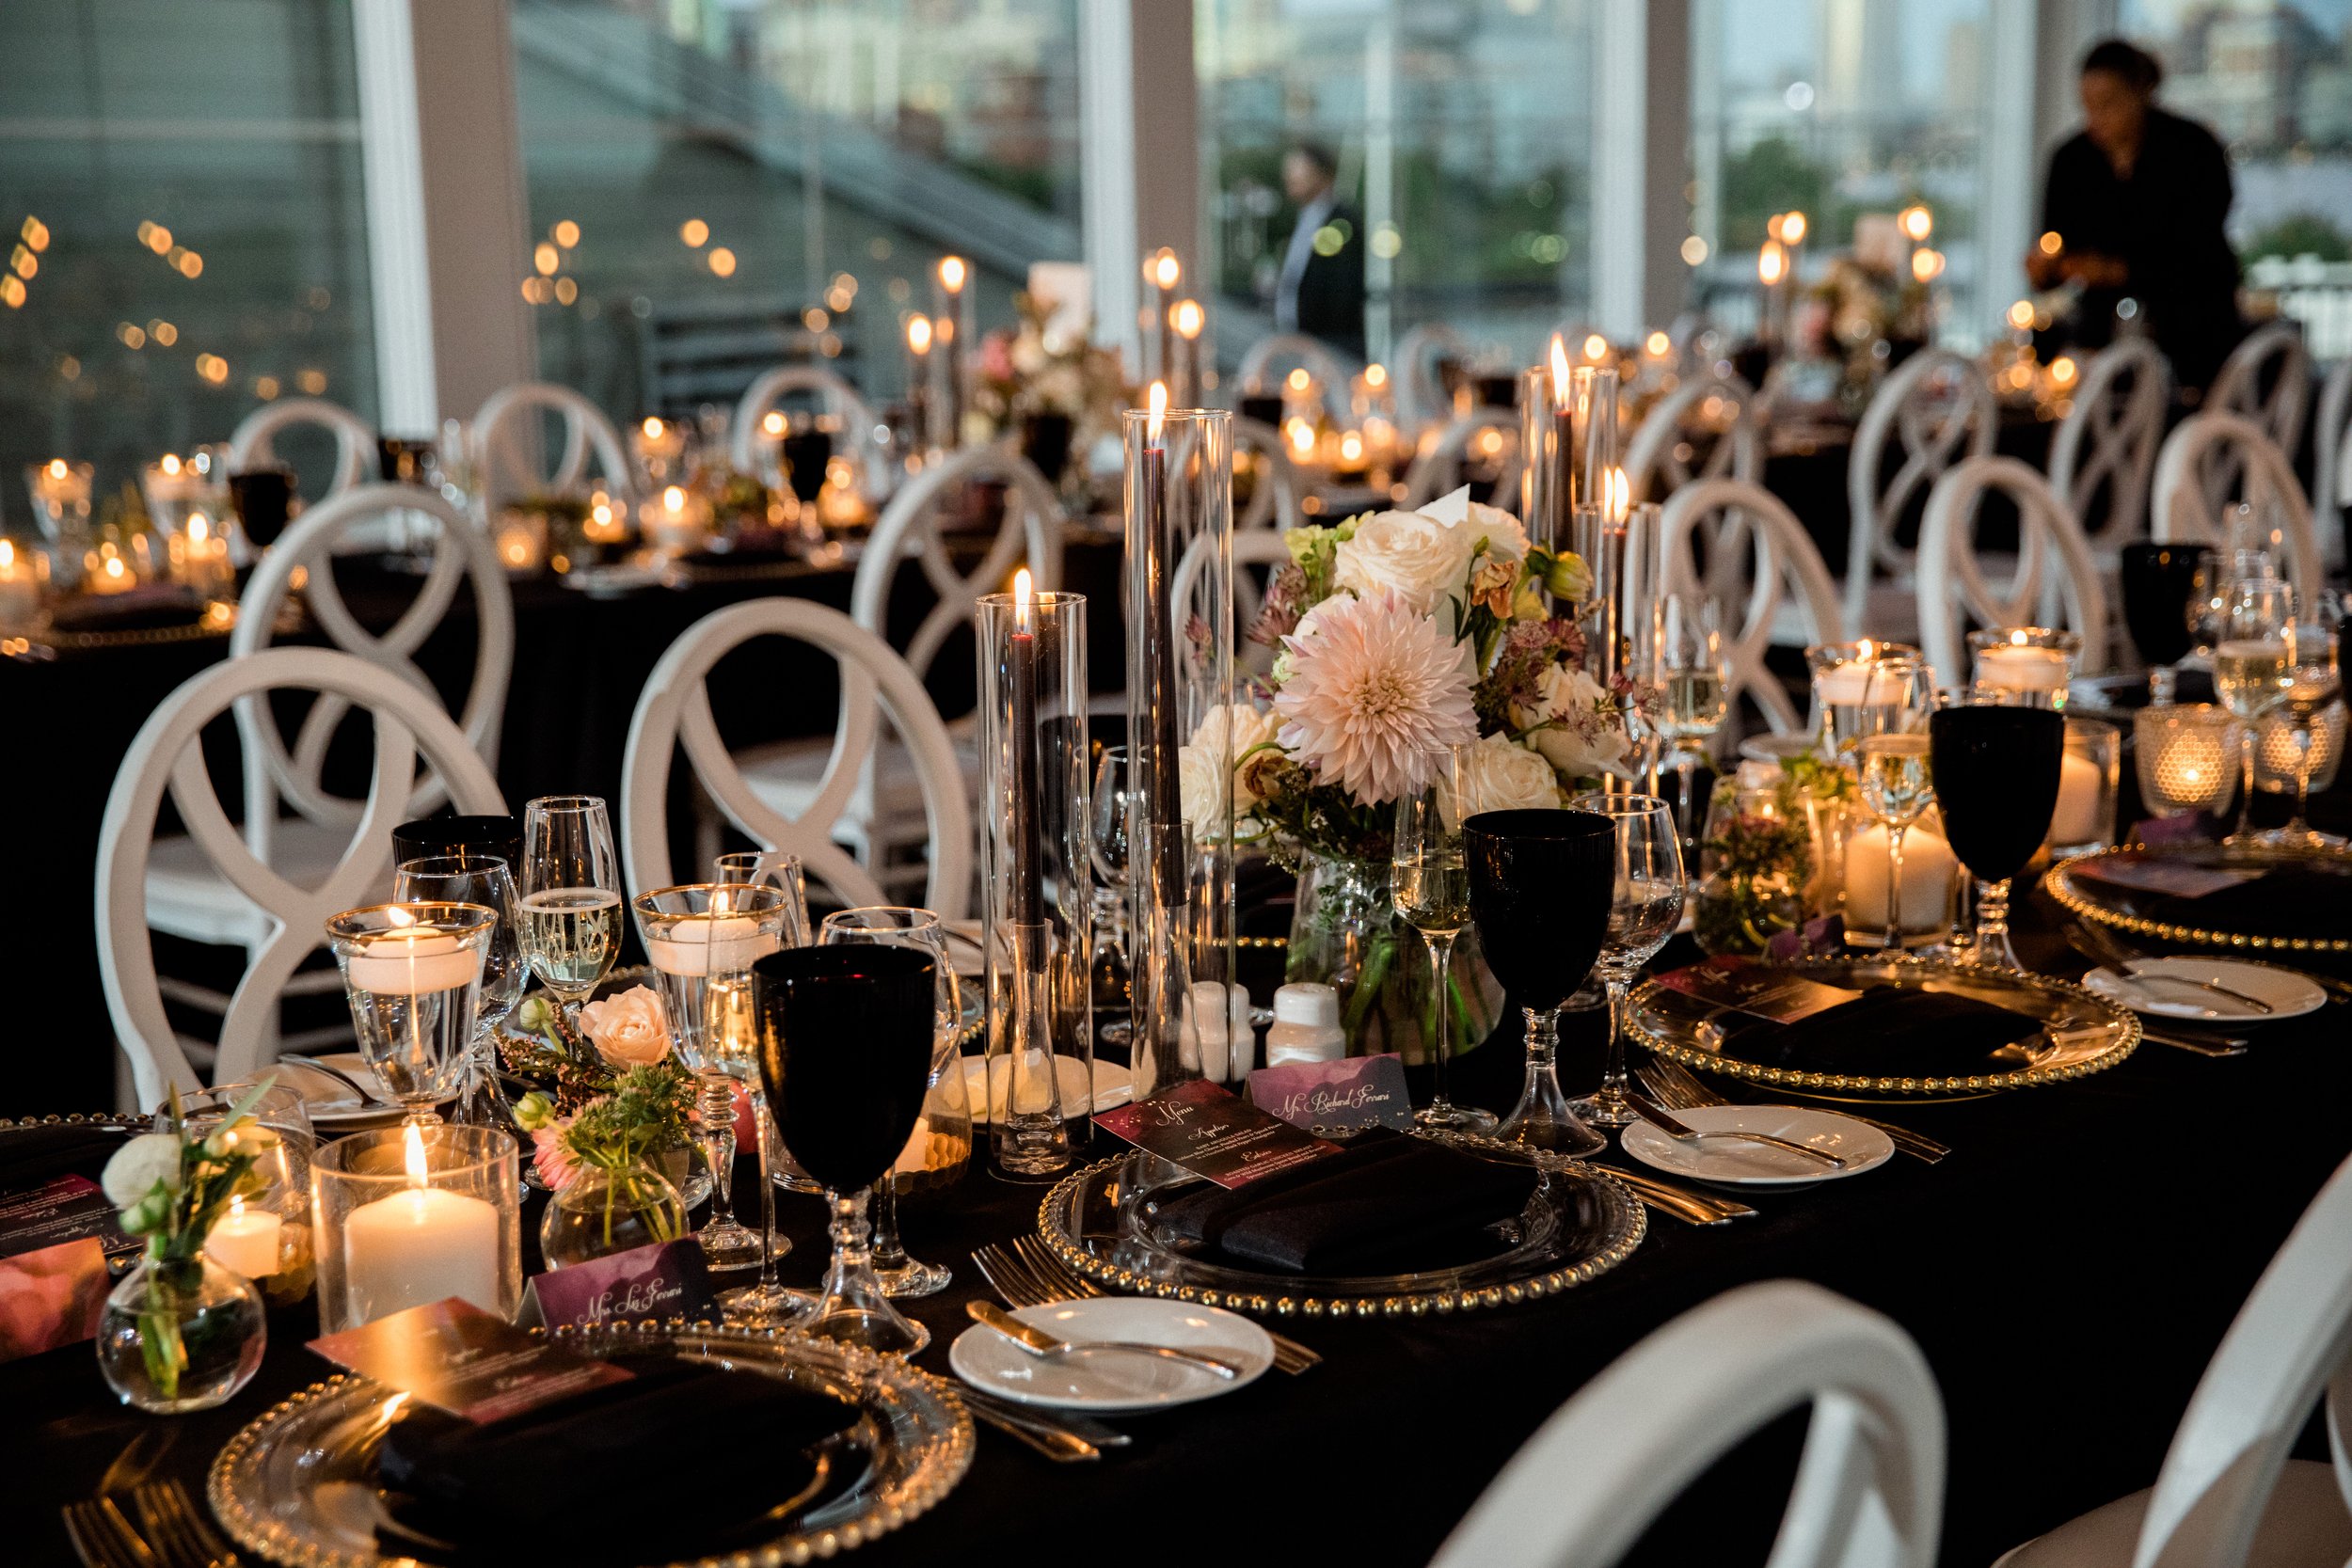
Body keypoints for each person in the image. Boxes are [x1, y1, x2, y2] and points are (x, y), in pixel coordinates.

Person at [2027, 38, 2244, 398]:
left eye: (2109, 104)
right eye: (2088, 106)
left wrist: (2115, 270)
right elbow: (2055, 246)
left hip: (2194, 337)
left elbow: (2200, 253)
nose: (2096, 118)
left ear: (2142, 92)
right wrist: (2046, 269)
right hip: (2100, 341)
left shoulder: (2193, 150)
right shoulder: (2071, 160)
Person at [1272, 141, 1366, 361]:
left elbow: (1341, 291)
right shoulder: (1305, 220)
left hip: (1331, 351)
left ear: (1322, 173)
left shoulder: (1340, 222)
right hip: (1302, 347)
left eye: (1299, 170)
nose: (1290, 177)